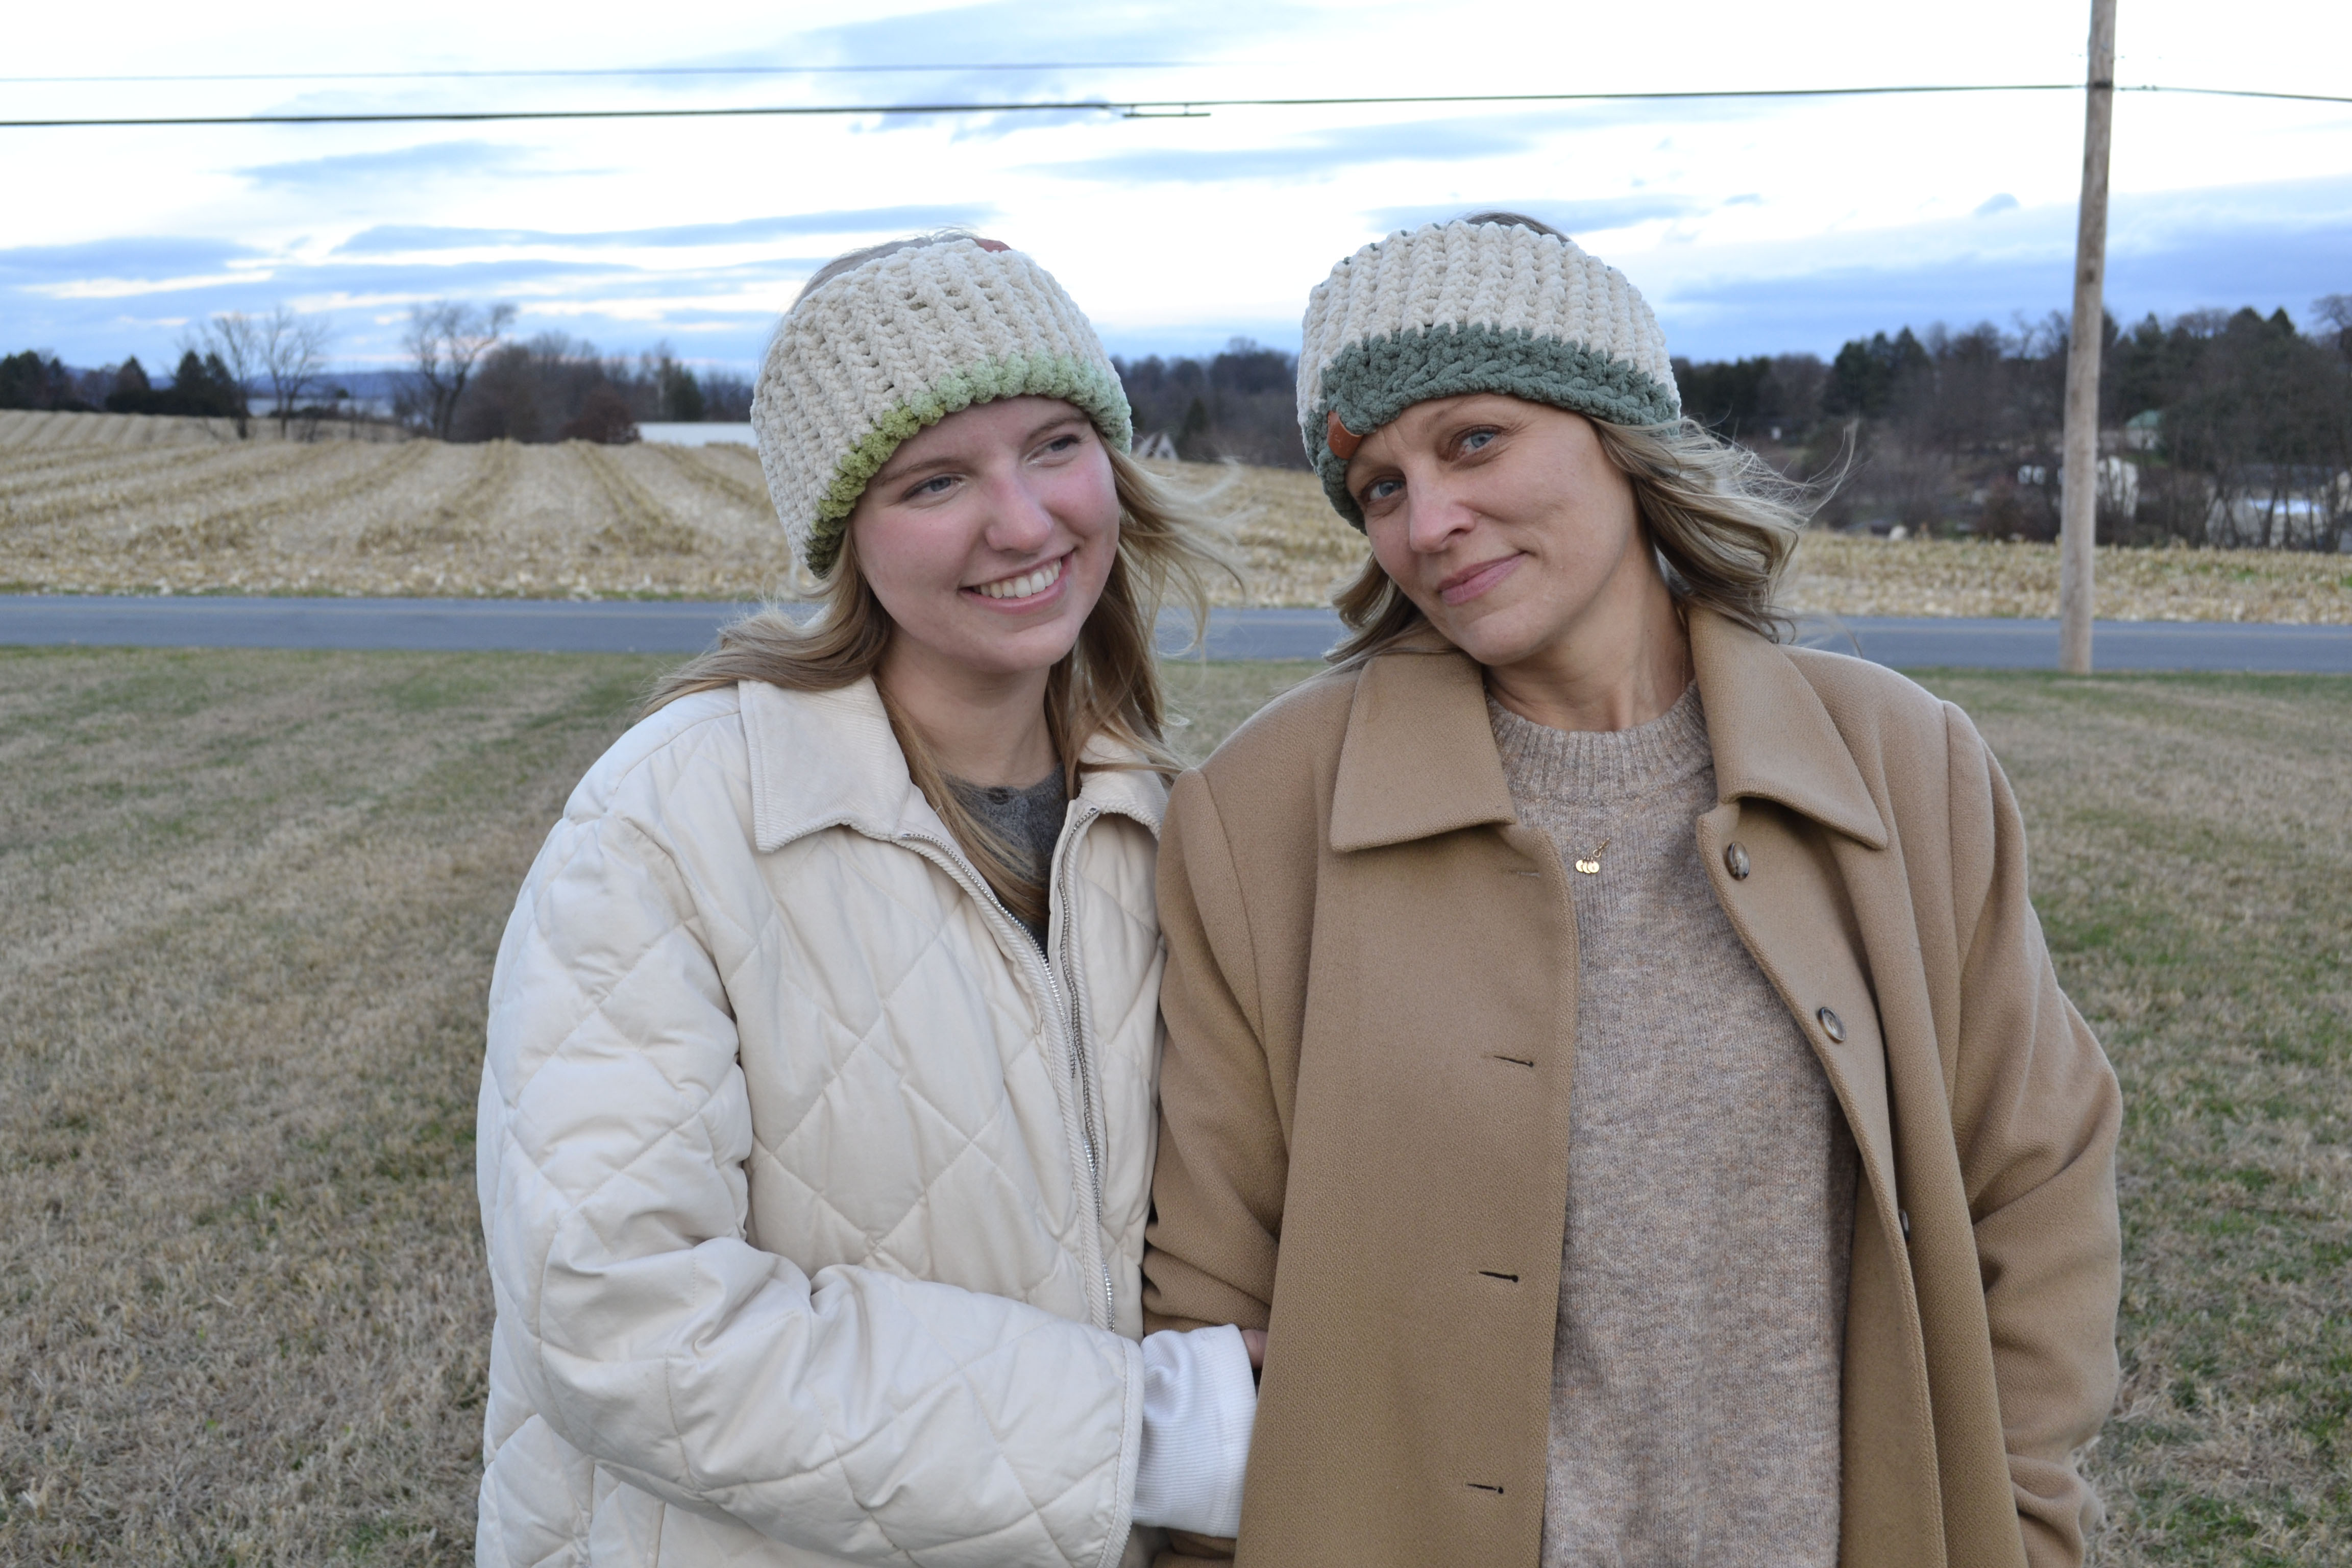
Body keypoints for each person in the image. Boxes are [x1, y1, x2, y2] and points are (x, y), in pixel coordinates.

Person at [1142, 215, 2122, 1568]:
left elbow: (2038, 1183)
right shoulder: (1257, 821)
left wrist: (2015, 1514)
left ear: (1621, 431)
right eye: (1377, 486)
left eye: (1473, 440)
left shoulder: (1905, 769)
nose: (1426, 522)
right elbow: (1203, 1310)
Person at [476, 233, 1260, 1568]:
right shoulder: (672, 821)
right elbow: (621, 1326)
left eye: (1058, 444)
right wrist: (1154, 1436)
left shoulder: (1167, 822)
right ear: (847, 532)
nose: (1022, 521)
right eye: (937, 479)